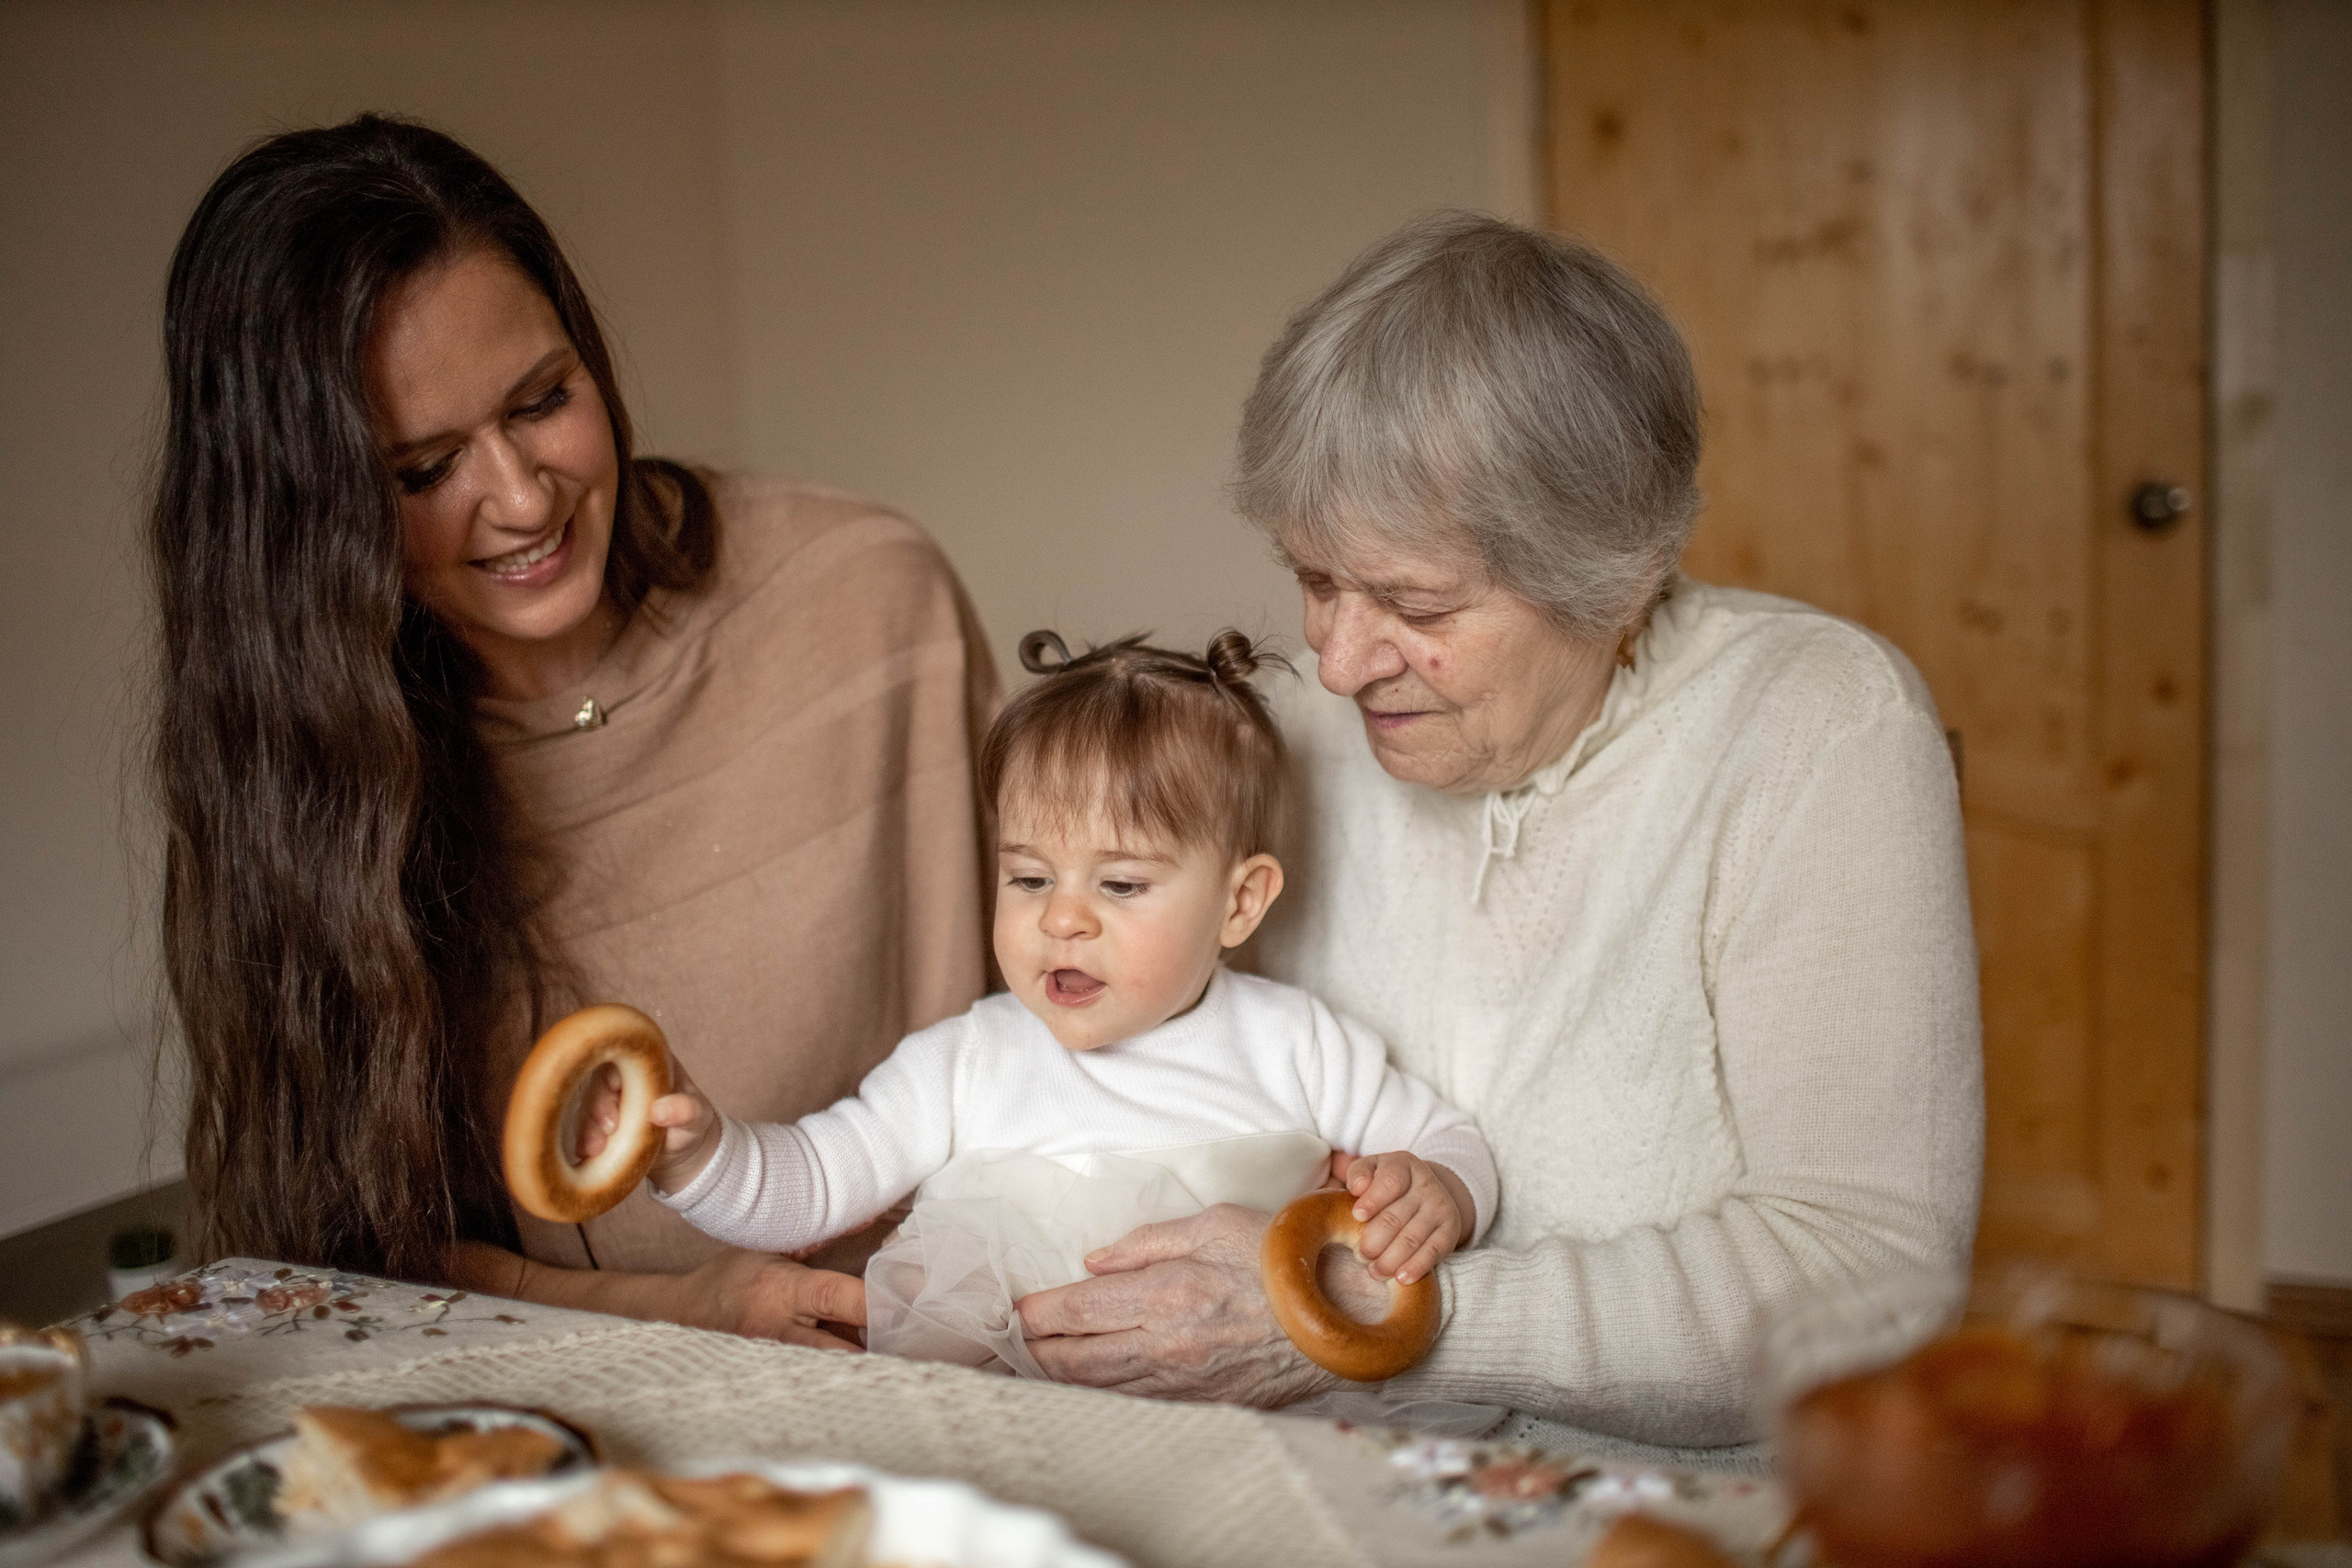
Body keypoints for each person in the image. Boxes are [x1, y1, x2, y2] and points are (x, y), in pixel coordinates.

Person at [1015, 214, 1983, 1461]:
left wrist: (1370, 1310)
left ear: (1612, 577)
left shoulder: (1818, 728)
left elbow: (1865, 1282)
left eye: (1417, 605)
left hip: (1665, 1513)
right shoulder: (1276, 731)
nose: (1337, 659)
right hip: (1310, 1471)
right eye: (1313, 577)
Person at [148, 114, 996, 1347]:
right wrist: (682, 1308)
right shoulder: (291, 773)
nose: (522, 497)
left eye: (543, 400)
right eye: (424, 470)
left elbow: (1078, 1027)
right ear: (301, 527)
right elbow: (341, 1261)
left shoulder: (869, 597)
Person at [593, 630, 1496, 1380]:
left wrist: (1440, 1190)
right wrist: (697, 1159)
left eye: (1120, 884)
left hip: (1253, 1413)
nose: (1061, 917)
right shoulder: (965, 1060)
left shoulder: (1296, 1043)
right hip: (1009, 1430)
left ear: (1239, 902)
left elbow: (1454, 1144)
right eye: (1028, 876)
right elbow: (811, 1188)